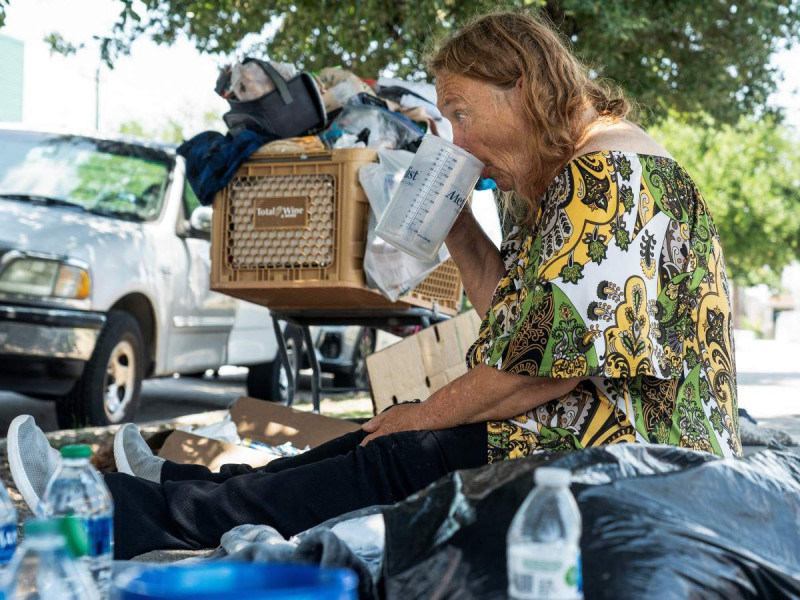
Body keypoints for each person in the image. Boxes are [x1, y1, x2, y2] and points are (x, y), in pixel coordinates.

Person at [7, 10, 740, 560]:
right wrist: (455, 223)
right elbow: (517, 330)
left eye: (460, 112)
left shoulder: (604, 177)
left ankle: (118, 512)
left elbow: (532, 375)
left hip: (636, 452)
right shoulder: (573, 175)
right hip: (588, 427)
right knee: (382, 434)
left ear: (520, 86)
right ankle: (183, 493)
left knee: (400, 446)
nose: (455, 135)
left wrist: (424, 415)